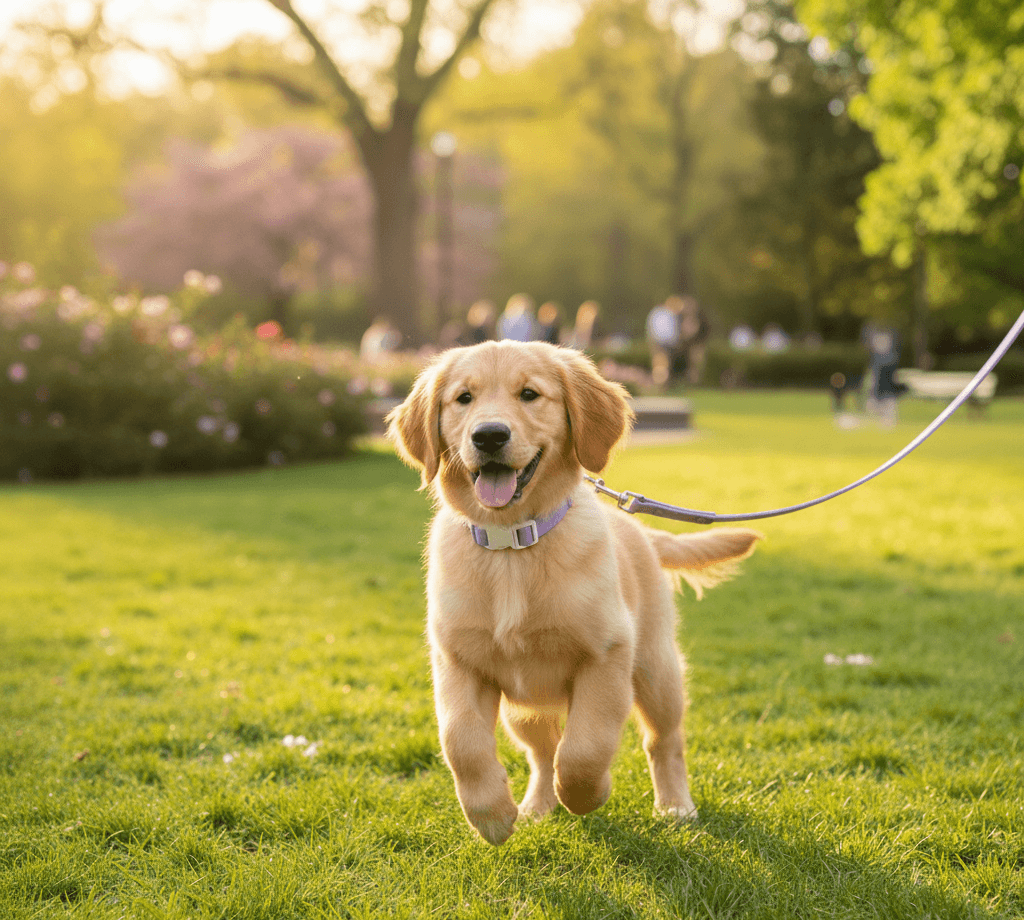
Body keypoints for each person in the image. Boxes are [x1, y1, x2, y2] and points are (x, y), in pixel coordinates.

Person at [646, 298, 679, 388]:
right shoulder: (662, 314)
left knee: (663, 364)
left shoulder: (663, 313)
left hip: (664, 343)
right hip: (660, 343)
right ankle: (660, 384)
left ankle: (662, 385)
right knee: (661, 364)